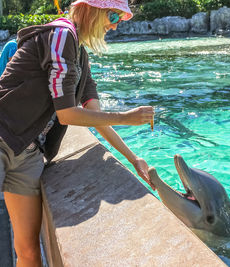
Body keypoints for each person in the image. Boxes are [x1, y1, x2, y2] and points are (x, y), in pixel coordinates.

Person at [0, 1, 155, 266]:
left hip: (27, 154)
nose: (116, 24)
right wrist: (127, 118)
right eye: (114, 14)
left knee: (28, 251)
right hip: (3, 137)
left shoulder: (80, 55)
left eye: (120, 18)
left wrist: (133, 159)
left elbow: (95, 116)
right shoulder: (61, 35)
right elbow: (67, 114)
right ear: (90, 9)